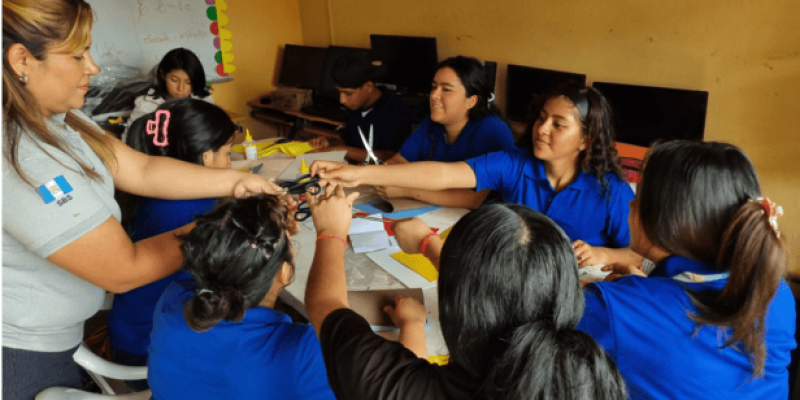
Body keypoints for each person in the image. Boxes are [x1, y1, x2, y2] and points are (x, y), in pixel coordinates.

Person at [2, 2, 280, 398]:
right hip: (19, 354)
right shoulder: (20, 156)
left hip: (58, 337)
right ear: (22, 59)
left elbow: (142, 170)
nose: (93, 68)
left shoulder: (56, 120)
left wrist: (237, 184)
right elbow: (122, 269)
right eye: (79, 55)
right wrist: (225, 227)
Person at [304, 186, 628, 399]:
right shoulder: (591, 374)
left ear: (457, 303)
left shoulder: (391, 385)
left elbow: (325, 305)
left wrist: (330, 232)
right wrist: (428, 244)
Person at [311, 81, 639, 266]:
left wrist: (604, 253)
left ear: (586, 140)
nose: (542, 129)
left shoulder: (611, 192)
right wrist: (359, 175)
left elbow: (642, 257)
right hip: (513, 277)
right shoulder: (515, 164)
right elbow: (443, 175)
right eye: (541, 118)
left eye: (558, 125)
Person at [577, 140, 795, 399]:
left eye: (641, 195)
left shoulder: (611, 308)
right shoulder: (776, 292)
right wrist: (646, 292)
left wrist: (631, 299)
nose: (631, 205)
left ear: (669, 218)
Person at [147, 194, 335, 400]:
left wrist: (261, 230)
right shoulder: (304, 350)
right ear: (285, 272)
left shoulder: (172, 301)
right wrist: (331, 234)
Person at [107, 98, 239, 370]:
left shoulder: (159, 191)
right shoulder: (192, 208)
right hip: (152, 348)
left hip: (131, 332)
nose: (230, 164)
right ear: (206, 157)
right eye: (228, 153)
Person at [374, 56, 517, 209]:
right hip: (437, 211)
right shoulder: (431, 123)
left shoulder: (492, 130)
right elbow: (399, 161)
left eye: (446, 89)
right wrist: (388, 173)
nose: (434, 95)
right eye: (434, 87)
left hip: (482, 220)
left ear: (471, 101)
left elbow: (471, 199)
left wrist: (405, 189)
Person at [309, 51, 412, 163]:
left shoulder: (396, 110)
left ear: (368, 86)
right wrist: (329, 144)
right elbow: (348, 141)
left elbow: (389, 156)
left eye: (348, 93)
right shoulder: (356, 108)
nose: (342, 100)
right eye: (339, 92)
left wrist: (341, 150)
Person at [127, 47, 214, 126]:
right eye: (174, 80)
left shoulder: (203, 100)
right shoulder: (146, 105)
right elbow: (128, 137)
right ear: (163, 75)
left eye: (189, 82)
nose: (181, 88)